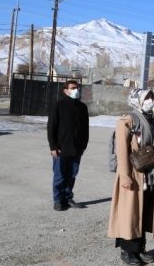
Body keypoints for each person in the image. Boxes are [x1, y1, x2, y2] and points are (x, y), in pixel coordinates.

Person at [108, 88, 154, 265]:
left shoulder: (152, 119)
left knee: (144, 211)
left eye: (151, 97)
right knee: (130, 213)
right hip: (134, 174)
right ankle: (127, 252)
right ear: (136, 100)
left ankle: (140, 249)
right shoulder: (128, 120)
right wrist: (125, 176)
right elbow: (121, 150)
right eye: (146, 97)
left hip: (150, 174)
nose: (150, 100)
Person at [47, 79, 89, 211]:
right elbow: (51, 127)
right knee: (60, 175)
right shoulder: (58, 105)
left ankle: (68, 197)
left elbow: (85, 128)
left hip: (76, 148)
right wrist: (53, 146)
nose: (76, 90)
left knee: (72, 175)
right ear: (65, 90)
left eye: (77, 88)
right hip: (61, 148)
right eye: (73, 88)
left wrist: (83, 145)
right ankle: (58, 200)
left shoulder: (82, 107)